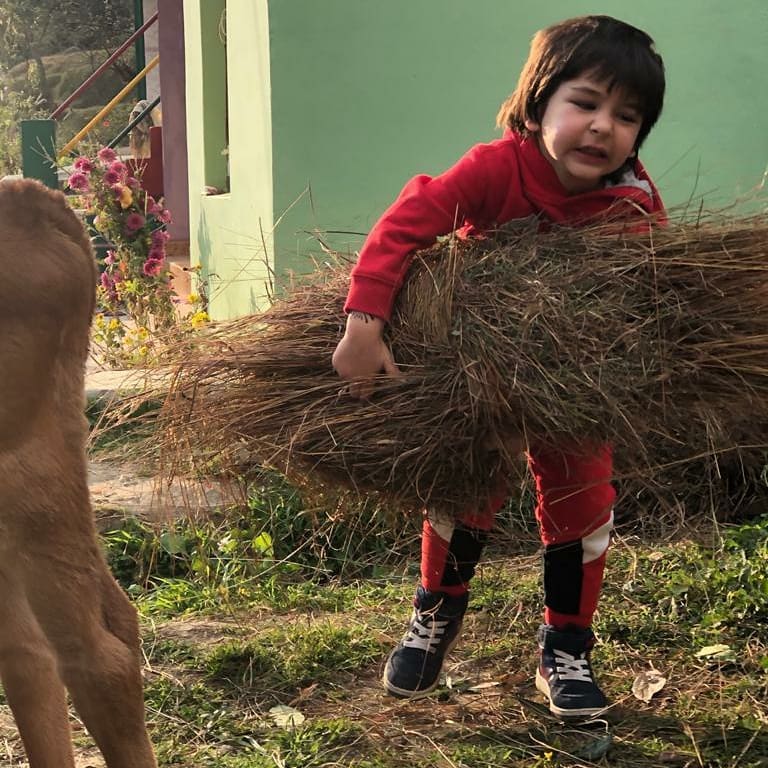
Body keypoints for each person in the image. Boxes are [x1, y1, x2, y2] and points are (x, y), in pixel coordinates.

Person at [332, 15, 666, 718]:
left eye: (626, 116)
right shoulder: (497, 168)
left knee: (584, 500)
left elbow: (654, 300)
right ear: (540, 101)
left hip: (578, 389)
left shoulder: (633, 207)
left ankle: (565, 648)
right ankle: (435, 617)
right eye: (585, 102)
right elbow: (408, 221)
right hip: (477, 375)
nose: (603, 127)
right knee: (465, 489)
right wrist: (365, 323)